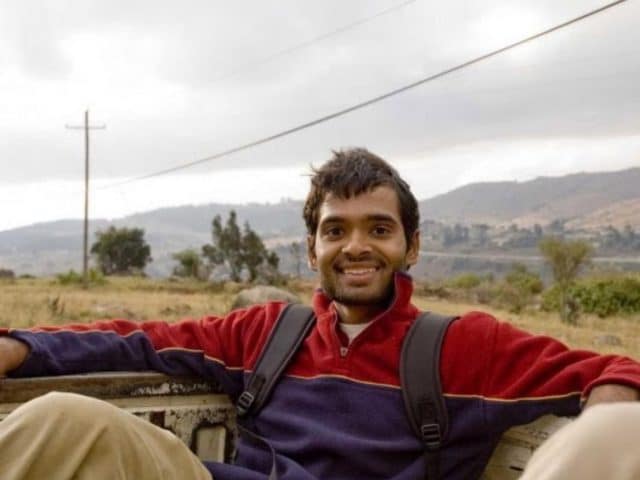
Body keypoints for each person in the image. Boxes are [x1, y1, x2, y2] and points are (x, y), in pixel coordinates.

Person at [0, 148, 639, 480]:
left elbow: (616, 367)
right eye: (336, 231)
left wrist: (603, 412)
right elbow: (140, 341)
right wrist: (22, 348)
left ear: (410, 245)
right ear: (313, 250)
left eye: (379, 229)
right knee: (64, 419)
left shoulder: (464, 346)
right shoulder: (266, 333)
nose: (356, 246)